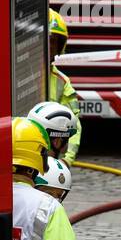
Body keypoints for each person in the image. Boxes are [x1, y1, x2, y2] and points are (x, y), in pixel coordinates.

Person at [47, 9, 81, 163]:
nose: (48, 45)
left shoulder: (63, 82)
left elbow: (73, 123)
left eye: (53, 41)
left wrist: (67, 160)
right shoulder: (12, 75)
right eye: (45, 39)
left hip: (46, 155)